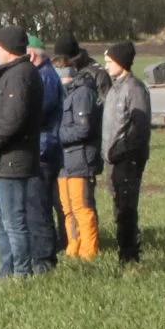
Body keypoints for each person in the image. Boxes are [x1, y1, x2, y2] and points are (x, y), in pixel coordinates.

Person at [0, 26, 47, 279]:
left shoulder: (20, 75)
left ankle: (21, 273)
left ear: (7, 49)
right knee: (1, 220)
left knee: (13, 221)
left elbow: (13, 121)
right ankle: (5, 271)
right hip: (3, 159)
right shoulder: (14, 73)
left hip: (12, 159)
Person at [101, 41, 152, 265]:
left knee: (127, 209)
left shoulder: (135, 89)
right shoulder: (114, 87)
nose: (106, 66)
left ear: (121, 62)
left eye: (110, 62)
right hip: (112, 158)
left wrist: (122, 152)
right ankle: (124, 251)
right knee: (118, 207)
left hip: (127, 160)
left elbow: (138, 129)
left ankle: (129, 256)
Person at [55, 42, 103, 261]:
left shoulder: (83, 94)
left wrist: (57, 135)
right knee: (68, 209)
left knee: (82, 207)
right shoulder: (66, 94)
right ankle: (73, 246)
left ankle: (89, 251)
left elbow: (83, 128)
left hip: (80, 159)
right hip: (65, 161)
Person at [28, 35, 65, 272]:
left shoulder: (45, 78)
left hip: (43, 150)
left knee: (38, 208)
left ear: (31, 55)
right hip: (43, 149)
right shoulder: (45, 75)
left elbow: (37, 114)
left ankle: (44, 261)